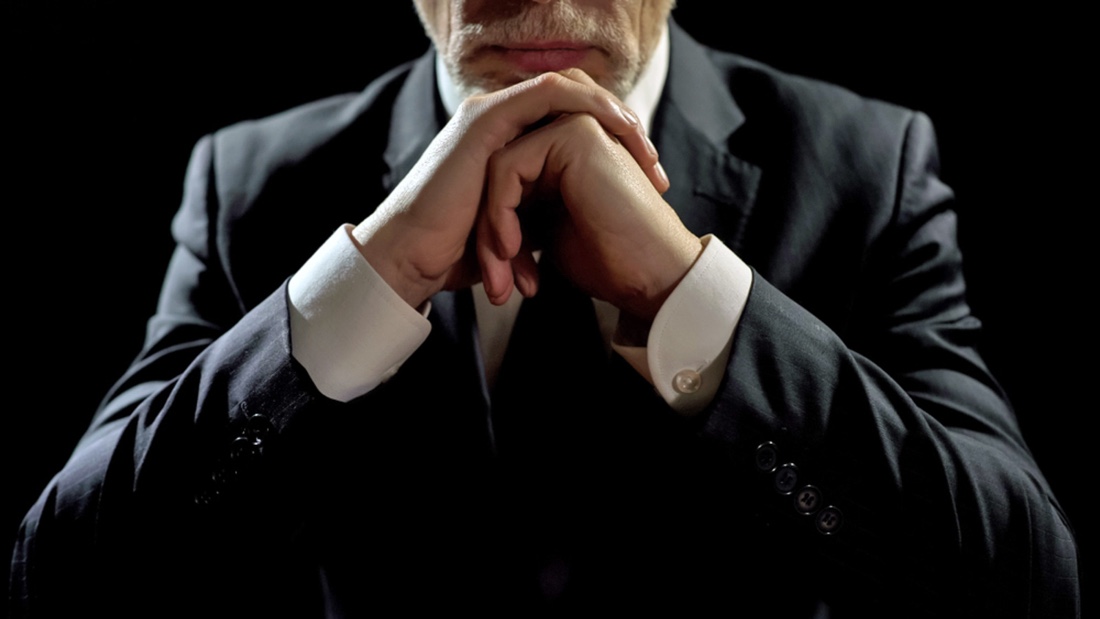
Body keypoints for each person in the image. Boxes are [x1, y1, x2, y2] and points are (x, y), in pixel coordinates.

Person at [11, 1, 1079, 616]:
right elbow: (61, 587)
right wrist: (371, 274)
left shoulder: (865, 168)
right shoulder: (249, 184)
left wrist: (686, 290)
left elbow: (1024, 591)